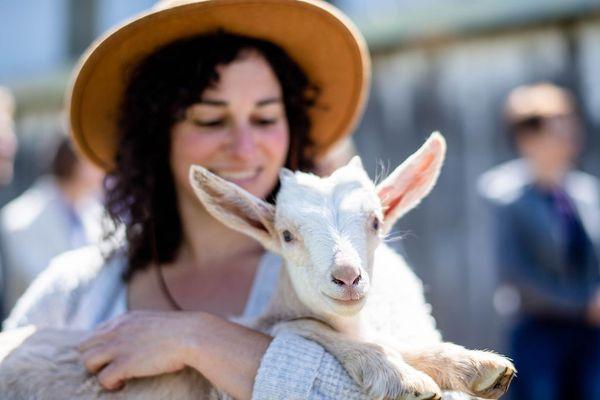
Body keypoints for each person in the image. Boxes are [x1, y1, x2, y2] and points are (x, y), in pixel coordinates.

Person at [2, 1, 442, 399]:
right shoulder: (77, 289)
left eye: (266, 117)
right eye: (212, 120)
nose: (246, 147)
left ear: (294, 127)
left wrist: (199, 340)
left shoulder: (357, 275)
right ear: (158, 135)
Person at [478, 83, 600, 399]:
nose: (569, 134)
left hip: (590, 338)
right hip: (539, 338)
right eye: (557, 126)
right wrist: (582, 305)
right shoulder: (504, 195)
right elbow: (515, 275)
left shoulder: (585, 192)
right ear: (527, 139)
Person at [0, 133, 104, 314]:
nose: (105, 167)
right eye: (93, 157)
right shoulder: (21, 218)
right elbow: (37, 283)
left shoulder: (96, 214)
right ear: (75, 161)